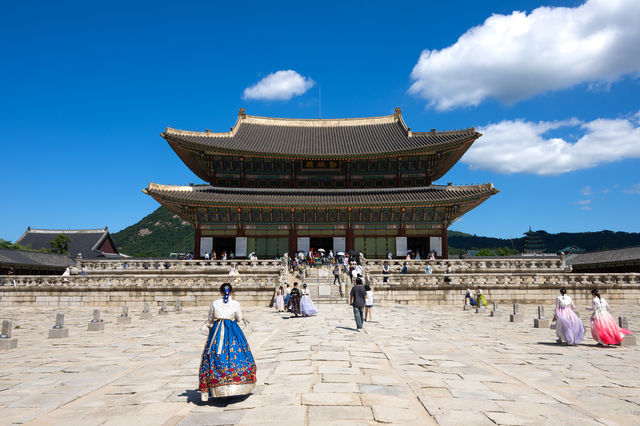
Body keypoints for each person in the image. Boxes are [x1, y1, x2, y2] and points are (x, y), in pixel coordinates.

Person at [199, 283, 256, 401]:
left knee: (215, 356)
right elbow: (239, 319)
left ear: (220, 292)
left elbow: (210, 320)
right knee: (237, 356)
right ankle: (235, 385)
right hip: (233, 331)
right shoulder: (236, 304)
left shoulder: (215, 303)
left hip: (217, 331)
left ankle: (219, 387)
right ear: (231, 292)